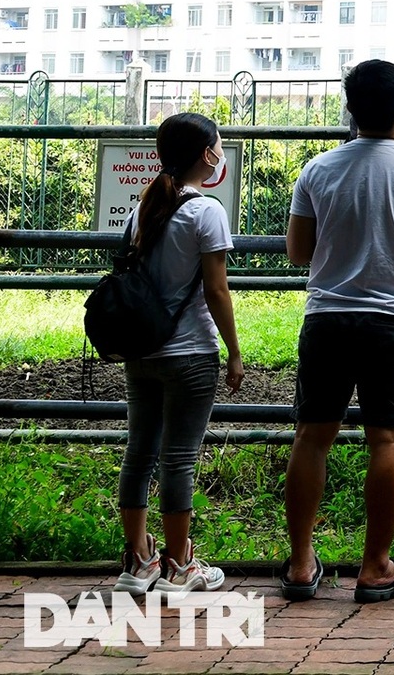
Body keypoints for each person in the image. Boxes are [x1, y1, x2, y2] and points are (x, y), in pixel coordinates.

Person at [281, 59, 394, 603]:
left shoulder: (317, 171)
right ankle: (376, 567)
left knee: (313, 437)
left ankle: (299, 566)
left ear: (350, 110)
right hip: (393, 321)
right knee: (387, 439)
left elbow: (297, 252)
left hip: (327, 317)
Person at [114, 112, 244, 597]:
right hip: (189, 353)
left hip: (142, 351)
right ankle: (179, 565)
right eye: (218, 144)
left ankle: (138, 560)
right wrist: (233, 351)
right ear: (207, 155)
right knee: (180, 459)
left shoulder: (142, 209)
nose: (220, 152)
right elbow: (216, 290)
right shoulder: (206, 211)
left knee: (139, 452)